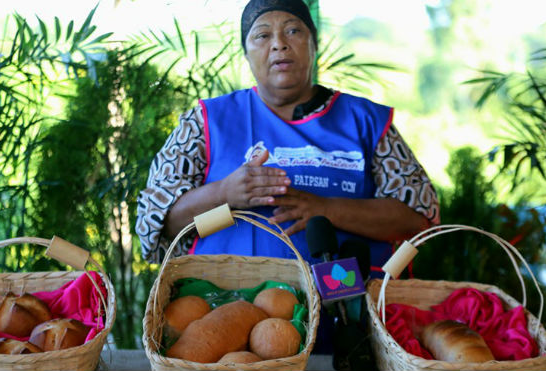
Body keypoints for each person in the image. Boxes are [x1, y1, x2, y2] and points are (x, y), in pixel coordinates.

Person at [136, 0, 439, 272]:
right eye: (263, 35)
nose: (279, 44)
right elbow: (159, 223)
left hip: (351, 313)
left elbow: (418, 217)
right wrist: (224, 194)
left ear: (313, 43)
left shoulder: (367, 121)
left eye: (293, 31)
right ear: (246, 51)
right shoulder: (205, 121)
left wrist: (326, 209)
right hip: (222, 308)